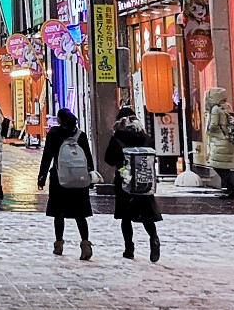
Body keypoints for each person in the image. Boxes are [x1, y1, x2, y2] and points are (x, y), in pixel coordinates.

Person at [37, 107, 95, 259]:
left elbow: (47, 156)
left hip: (59, 178)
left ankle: (59, 244)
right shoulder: (80, 135)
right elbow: (88, 157)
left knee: (59, 213)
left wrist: (41, 176)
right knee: (80, 214)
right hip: (79, 180)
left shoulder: (54, 135)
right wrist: (91, 177)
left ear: (60, 120)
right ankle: (85, 243)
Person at [105, 107, 163, 261]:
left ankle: (129, 248)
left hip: (125, 180)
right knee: (147, 214)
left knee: (126, 216)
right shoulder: (145, 137)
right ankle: (154, 237)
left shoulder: (118, 136)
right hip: (144, 181)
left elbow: (108, 159)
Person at [203, 85, 234, 199]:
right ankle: (230, 188)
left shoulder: (215, 109)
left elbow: (213, 126)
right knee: (223, 166)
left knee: (218, 166)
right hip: (227, 139)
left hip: (220, 140)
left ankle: (231, 188)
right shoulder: (227, 107)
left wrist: (208, 129)